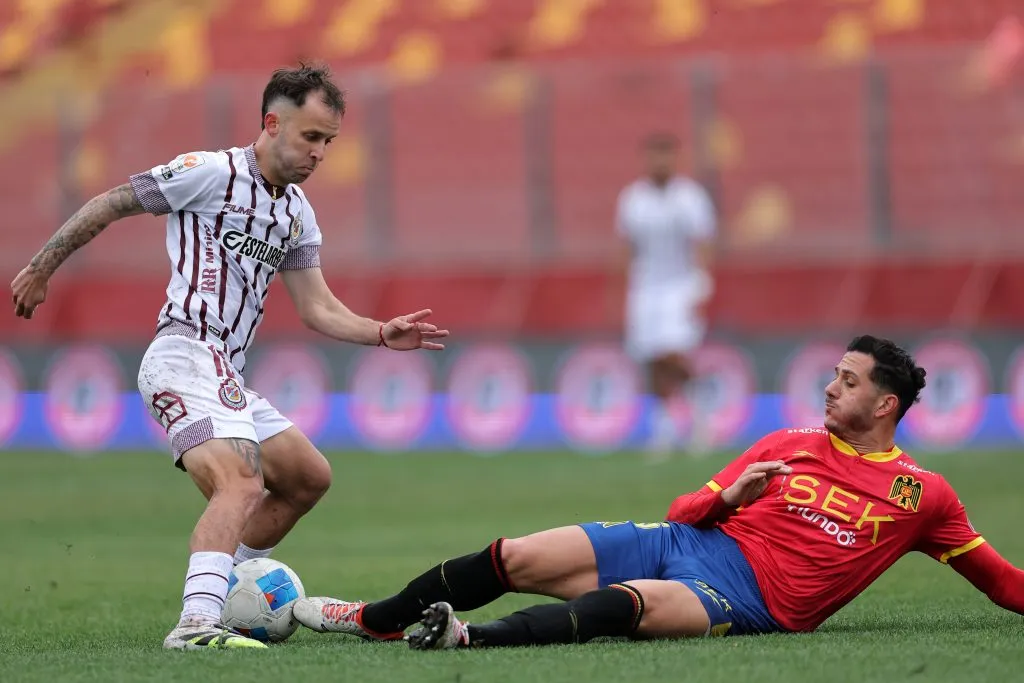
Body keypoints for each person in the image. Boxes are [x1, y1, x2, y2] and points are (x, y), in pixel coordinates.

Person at [9, 64, 449, 651]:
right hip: (184, 353)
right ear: (272, 123)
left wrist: (377, 332)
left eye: (329, 142)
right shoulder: (208, 172)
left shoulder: (295, 213)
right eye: (311, 137)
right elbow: (112, 202)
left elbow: (317, 307)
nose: (321, 153)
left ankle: (226, 584)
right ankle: (194, 625)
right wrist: (40, 269)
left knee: (306, 478)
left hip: (225, 370)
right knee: (241, 485)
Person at [291, 335, 1024, 649]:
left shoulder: (922, 495)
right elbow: (683, 511)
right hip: (687, 539)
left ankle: (464, 638)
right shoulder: (786, 443)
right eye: (834, 373)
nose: (831, 386)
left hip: (747, 601)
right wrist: (730, 495)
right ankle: (374, 617)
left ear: (887, 405)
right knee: (511, 555)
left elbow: (998, 580)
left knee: (623, 608)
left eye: (850, 380)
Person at [614, 132, 716, 460]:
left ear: (675, 158)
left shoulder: (690, 197)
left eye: (665, 155)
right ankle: (664, 428)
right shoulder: (633, 199)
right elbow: (627, 246)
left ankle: (700, 414)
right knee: (651, 358)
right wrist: (623, 287)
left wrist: (703, 282)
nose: (659, 162)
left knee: (674, 354)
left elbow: (702, 241)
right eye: (654, 155)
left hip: (680, 285)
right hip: (645, 286)